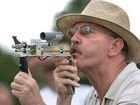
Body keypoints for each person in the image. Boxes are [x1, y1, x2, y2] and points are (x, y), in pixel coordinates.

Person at [11, 0, 140, 105]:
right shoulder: (93, 96)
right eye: (72, 32)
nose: (73, 39)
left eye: (86, 31)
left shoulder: (136, 91)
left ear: (115, 46)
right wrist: (64, 99)